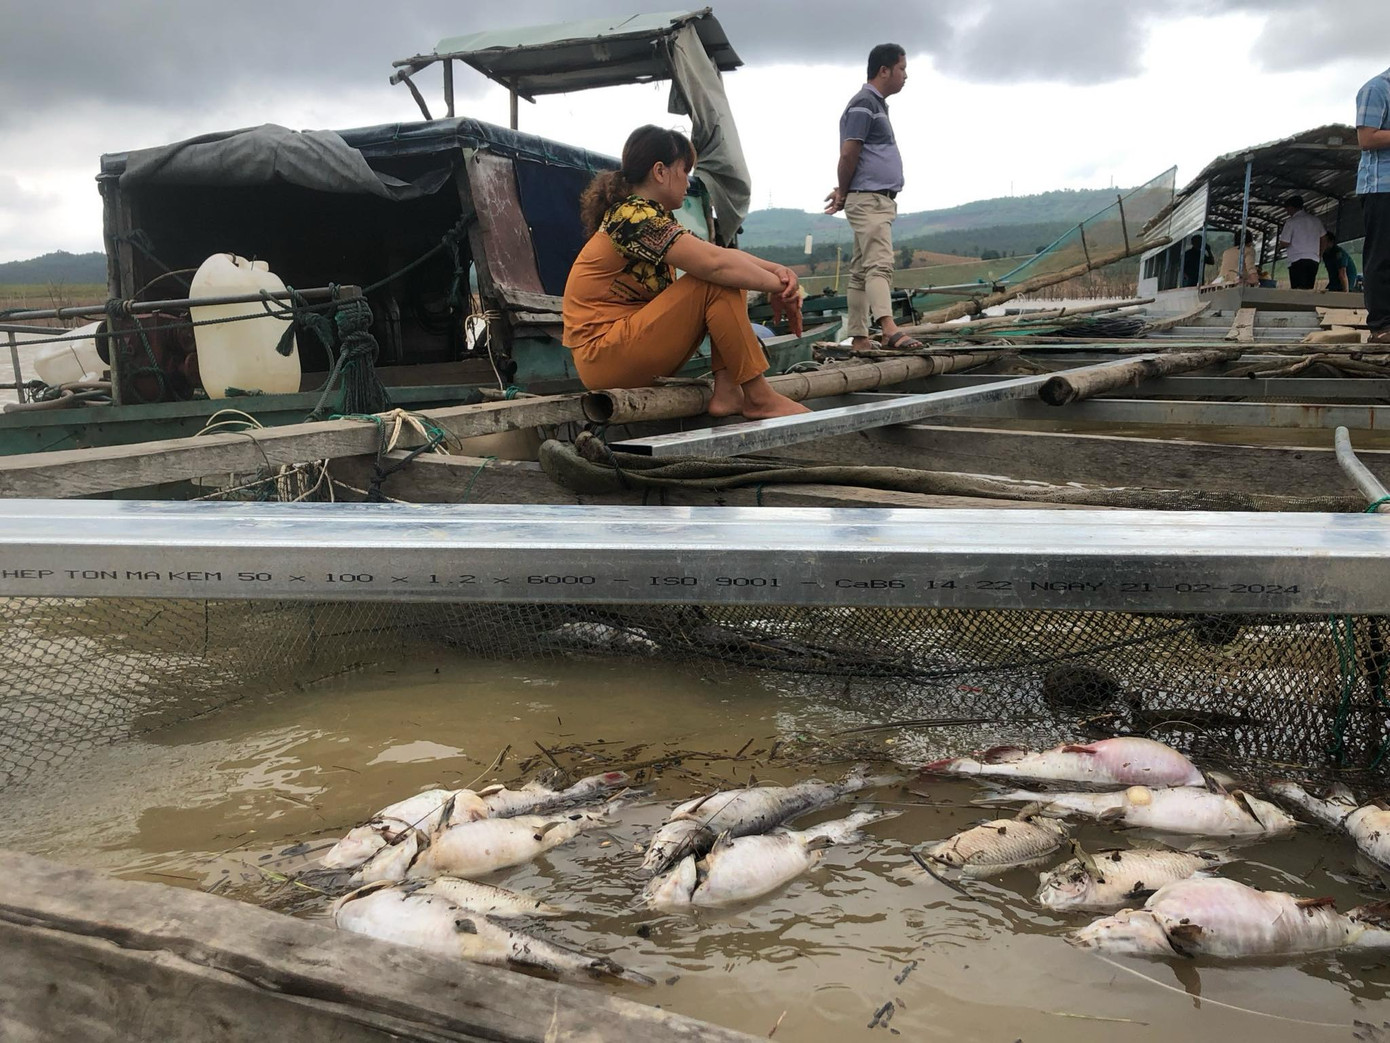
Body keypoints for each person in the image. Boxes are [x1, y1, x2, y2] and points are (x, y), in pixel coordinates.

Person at [562, 126, 809, 419]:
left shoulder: (653, 217)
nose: (687, 181)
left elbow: (721, 256)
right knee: (716, 279)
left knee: (728, 276)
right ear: (660, 171)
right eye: (684, 170)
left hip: (621, 349)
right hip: (603, 356)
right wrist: (779, 288)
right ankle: (757, 396)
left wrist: (781, 274)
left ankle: (730, 391)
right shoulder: (632, 216)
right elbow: (715, 264)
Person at [824, 43, 921, 353]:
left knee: (860, 271)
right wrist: (843, 190)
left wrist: (843, 192)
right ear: (884, 70)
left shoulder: (875, 104)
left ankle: (860, 338)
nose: (906, 75)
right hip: (870, 200)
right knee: (880, 265)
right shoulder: (864, 104)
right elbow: (849, 153)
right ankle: (888, 328)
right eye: (902, 68)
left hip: (871, 198)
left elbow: (858, 156)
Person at [1356, 64, 1390, 343]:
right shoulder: (1377, 88)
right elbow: (1367, 138)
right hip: (1382, 187)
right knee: (1381, 256)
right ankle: (1381, 326)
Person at [1278, 195, 1326, 289]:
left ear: (1291, 207)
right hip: (1313, 260)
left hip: (1297, 260)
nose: (1287, 212)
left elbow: (1285, 242)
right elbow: (1324, 238)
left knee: (1298, 290)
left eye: (1287, 209)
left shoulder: (1291, 222)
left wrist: (1279, 247)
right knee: (1308, 289)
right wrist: (1320, 254)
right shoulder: (1316, 220)